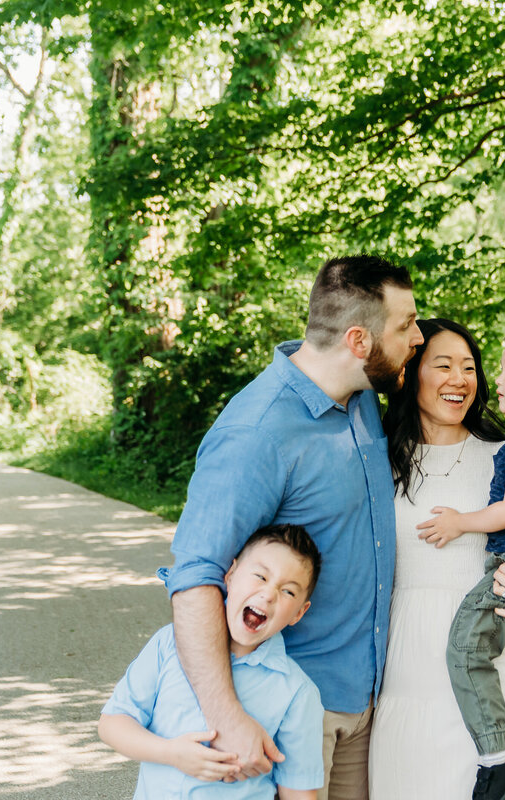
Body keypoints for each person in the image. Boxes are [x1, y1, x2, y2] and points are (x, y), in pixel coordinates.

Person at [160, 255, 424, 800]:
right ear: (358, 340)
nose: (417, 337)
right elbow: (195, 578)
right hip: (288, 712)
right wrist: (228, 716)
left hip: (366, 701)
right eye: (406, 325)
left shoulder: (362, 399)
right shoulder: (257, 432)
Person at [369, 318, 505, 800]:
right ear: (410, 372)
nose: (460, 379)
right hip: (409, 662)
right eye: (443, 365)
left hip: (498, 657)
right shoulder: (376, 459)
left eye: (470, 367)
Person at [100, 524, 325, 799]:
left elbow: (298, 792)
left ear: (299, 613)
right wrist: (172, 754)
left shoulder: (298, 693)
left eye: (288, 591)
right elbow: (112, 723)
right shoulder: (169, 643)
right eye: (260, 576)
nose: (268, 594)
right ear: (230, 575)